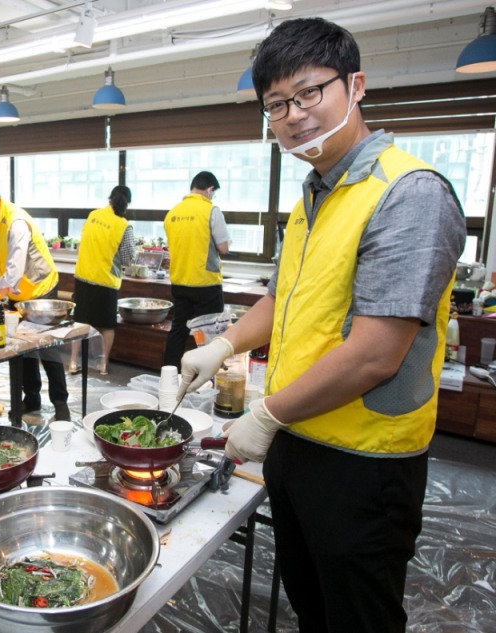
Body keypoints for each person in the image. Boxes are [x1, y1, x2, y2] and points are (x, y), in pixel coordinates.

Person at [177, 18, 466, 633]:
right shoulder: (315, 195)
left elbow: (374, 355)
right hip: (298, 439)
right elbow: (283, 299)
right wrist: (224, 344)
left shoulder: (408, 193)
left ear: (355, 86)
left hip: (363, 462)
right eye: (276, 104)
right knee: (311, 606)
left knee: (358, 618)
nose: (294, 115)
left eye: (310, 93)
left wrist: (265, 414)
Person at [0, 177, 70, 422]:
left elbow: (15, 266)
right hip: (16, 292)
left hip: (41, 289)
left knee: (48, 347)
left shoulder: (17, 222)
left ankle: (60, 403)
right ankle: (31, 398)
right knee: (20, 346)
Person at [162, 170, 230, 370]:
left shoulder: (173, 212)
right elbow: (223, 248)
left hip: (180, 282)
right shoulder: (211, 211)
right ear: (209, 189)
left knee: (178, 331)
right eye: (213, 193)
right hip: (206, 284)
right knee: (211, 334)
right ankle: (208, 378)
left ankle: (169, 373)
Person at [70, 185, 135, 375]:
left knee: (80, 322)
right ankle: (103, 364)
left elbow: (83, 243)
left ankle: (73, 362)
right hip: (105, 280)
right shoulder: (123, 225)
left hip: (83, 276)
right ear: (127, 203)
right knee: (107, 326)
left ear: (109, 199)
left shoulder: (93, 216)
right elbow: (127, 259)